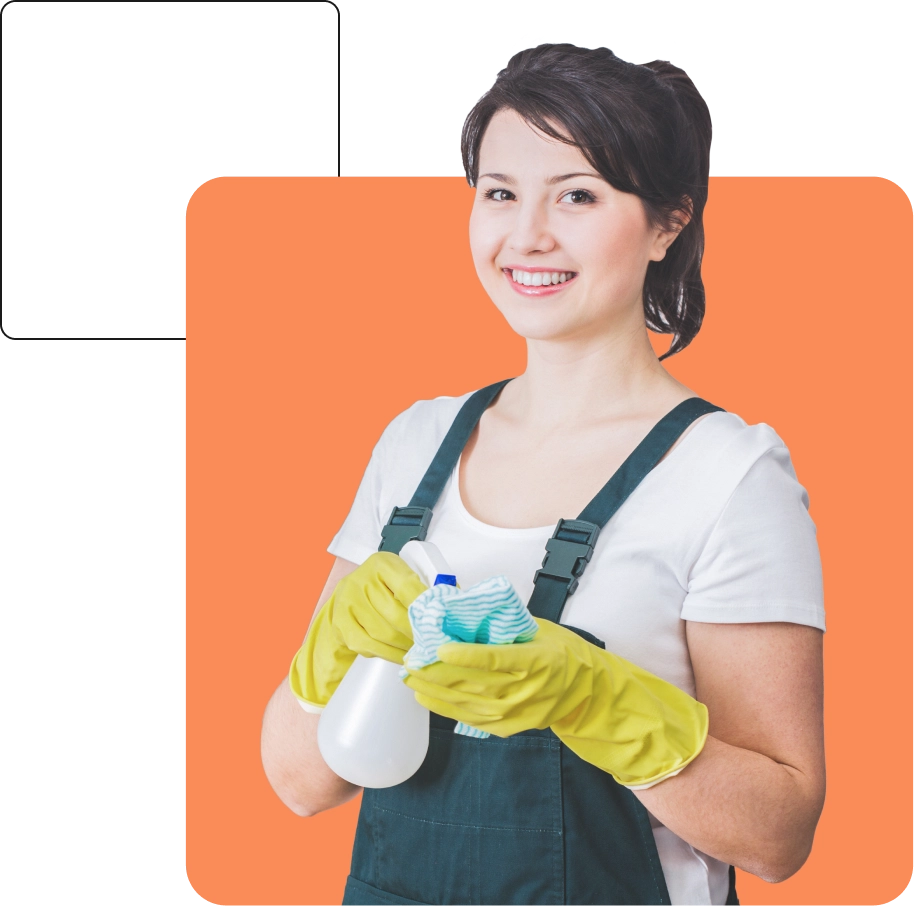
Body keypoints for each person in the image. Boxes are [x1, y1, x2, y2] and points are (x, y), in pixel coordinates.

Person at [261, 42, 826, 906]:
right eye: (500, 193)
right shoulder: (417, 446)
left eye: (579, 195)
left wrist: (597, 700)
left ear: (669, 221)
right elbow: (303, 784)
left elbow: (780, 837)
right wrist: (328, 654)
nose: (527, 235)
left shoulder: (728, 475)